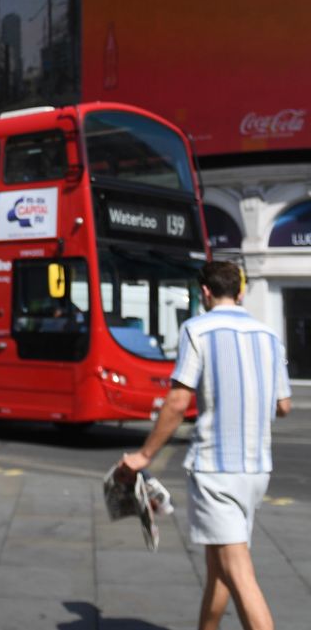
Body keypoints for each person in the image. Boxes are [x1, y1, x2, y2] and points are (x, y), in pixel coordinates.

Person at [120, 262, 292, 630]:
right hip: (256, 470)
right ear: (241, 292)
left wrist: (145, 454)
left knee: (239, 573)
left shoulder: (196, 329)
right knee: (220, 568)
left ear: (205, 293)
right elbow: (284, 405)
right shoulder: (269, 335)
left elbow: (178, 402)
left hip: (217, 470)